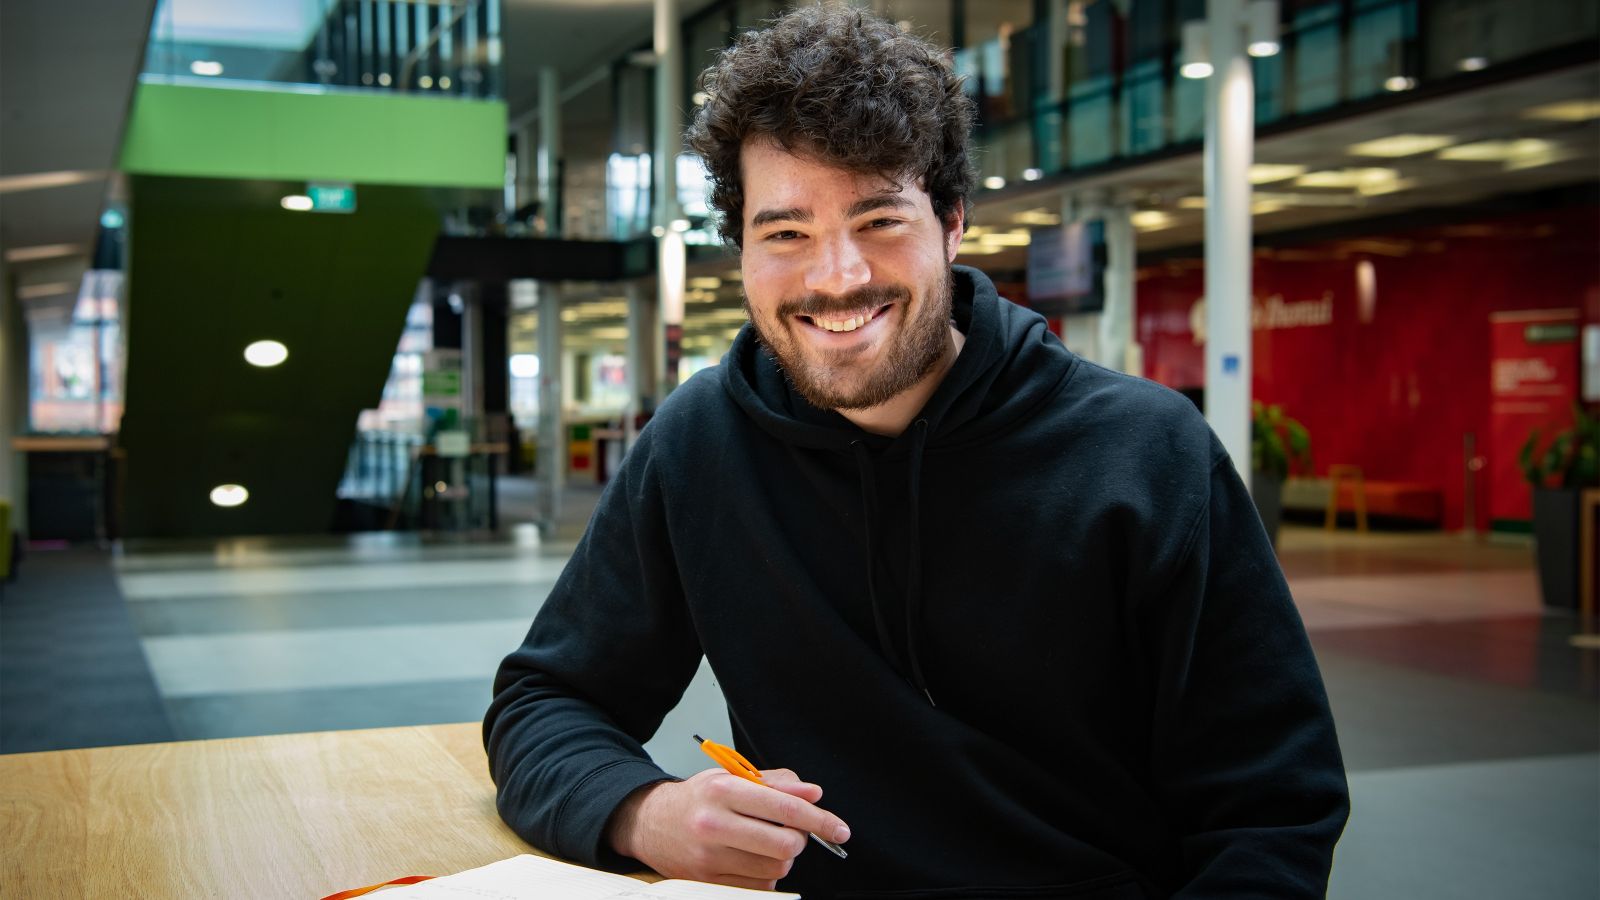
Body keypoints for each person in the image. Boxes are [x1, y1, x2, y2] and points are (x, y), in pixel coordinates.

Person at [484, 6, 1348, 897]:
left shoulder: (1146, 454)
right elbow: (545, 703)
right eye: (786, 234)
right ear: (740, 250)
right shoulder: (701, 444)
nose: (836, 276)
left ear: (953, 223)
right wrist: (642, 810)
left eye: (879, 221)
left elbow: (1271, 807)